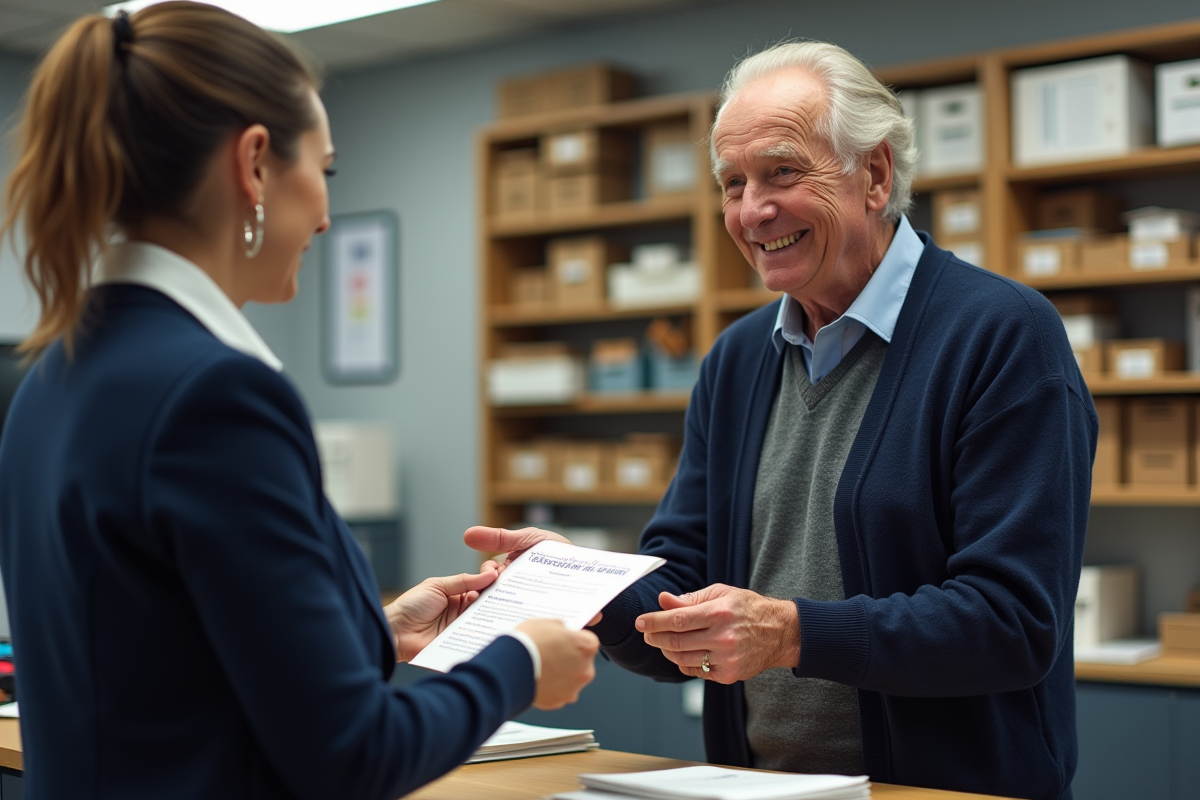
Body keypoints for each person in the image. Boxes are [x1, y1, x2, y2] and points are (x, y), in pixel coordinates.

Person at [0, 4, 598, 799]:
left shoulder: (52, 375)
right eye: (326, 170)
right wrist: (521, 661)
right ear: (253, 164)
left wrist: (373, 635)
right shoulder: (214, 395)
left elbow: (156, 662)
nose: (323, 215)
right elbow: (354, 756)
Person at [469, 41, 1094, 800]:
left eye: (782, 172)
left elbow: (1012, 621)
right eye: (732, 183)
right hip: (761, 788)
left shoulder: (1002, 334)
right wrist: (585, 590)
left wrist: (789, 633)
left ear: (874, 175)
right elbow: (685, 582)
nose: (751, 210)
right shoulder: (737, 360)